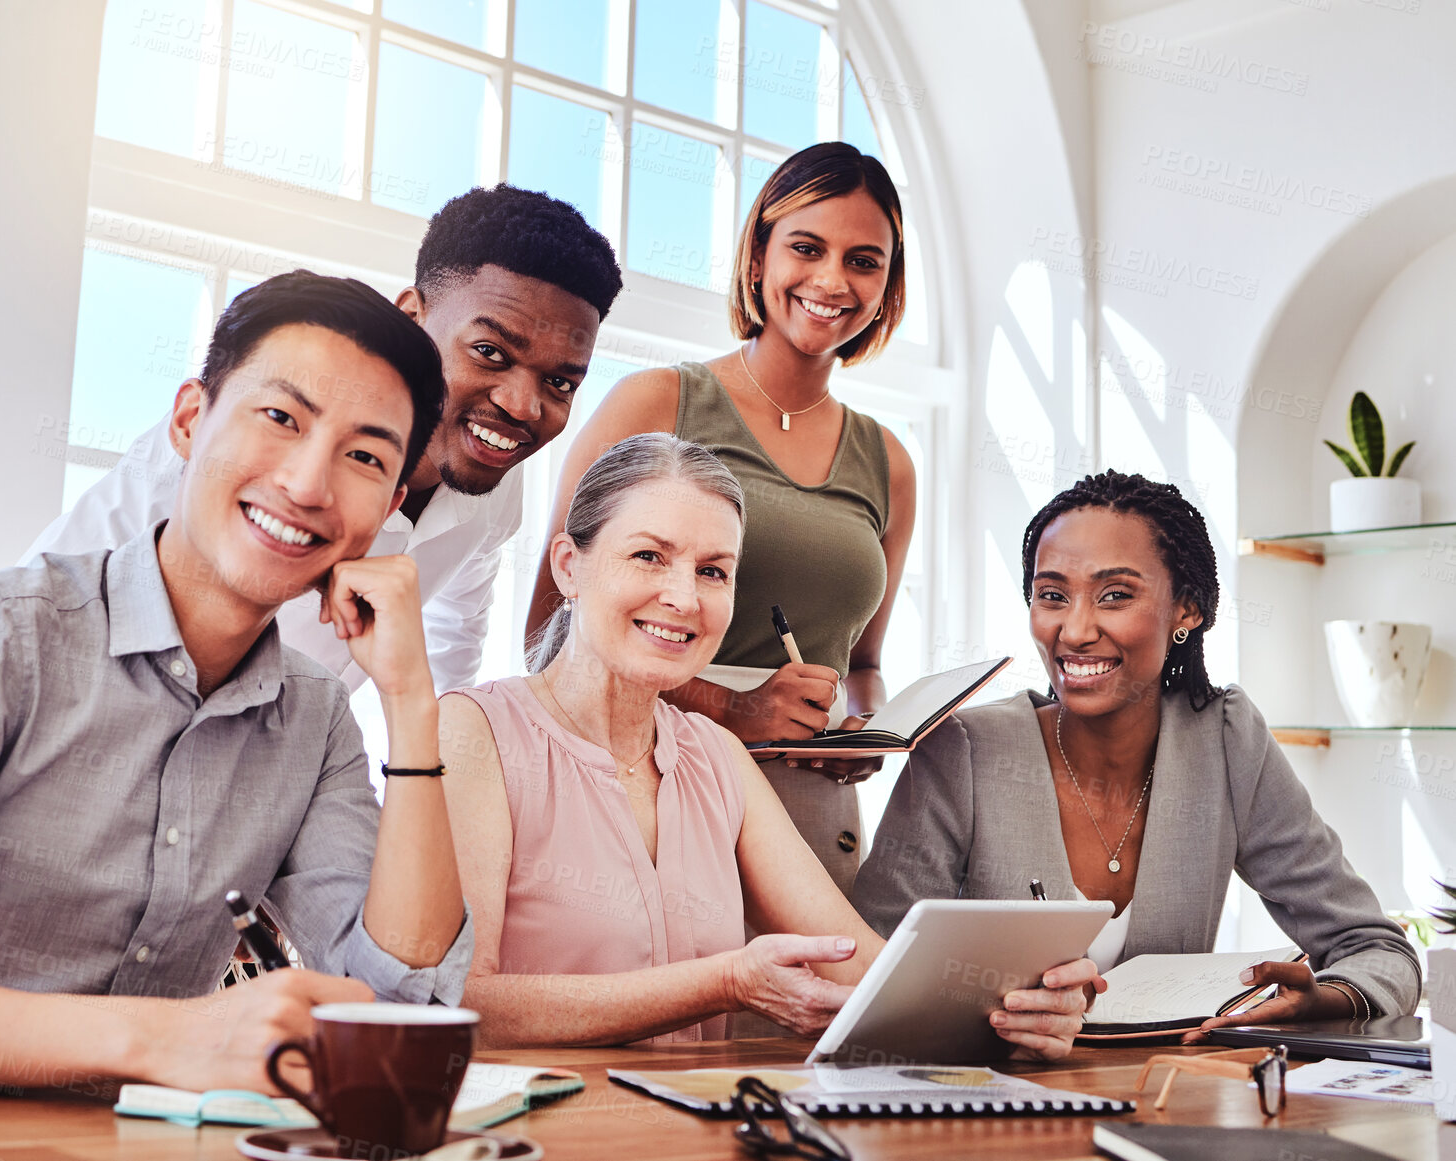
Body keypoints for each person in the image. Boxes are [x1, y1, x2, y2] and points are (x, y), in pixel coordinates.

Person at [0, 273, 472, 1093]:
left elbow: (397, 997)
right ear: (187, 420)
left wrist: (409, 703)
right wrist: (161, 1038)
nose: (309, 485)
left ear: (387, 501)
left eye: (363, 456)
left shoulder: (314, 719)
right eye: (280, 417)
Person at [442, 433, 1096, 1051]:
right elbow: (458, 1005)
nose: (682, 596)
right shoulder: (474, 733)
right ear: (568, 564)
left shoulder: (717, 756)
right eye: (648, 555)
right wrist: (724, 982)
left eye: (712, 571)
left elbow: (855, 962)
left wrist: (1018, 1004)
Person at [852, 470, 1421, 1035]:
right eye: (1052, 596)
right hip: (994, 1106)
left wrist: (1326, 999)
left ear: (1187, 610)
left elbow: (1376, 949)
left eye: (1115, 596)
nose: (1074, 630)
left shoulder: (1225, 742)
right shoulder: (964, 749)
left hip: (1166, 1100)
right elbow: (864, 971)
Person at [30, 184, 623, 692]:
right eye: (489, 352)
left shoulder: (496, 486)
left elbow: (452, 640)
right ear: (412, 319)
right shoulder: (236, 445)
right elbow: (45, 604)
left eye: (559, 382)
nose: (523, 406)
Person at [527, 144, 913, 894]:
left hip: (811, 824)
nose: (832, 280)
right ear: (758, 255)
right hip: (652, 798)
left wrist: (864, 730)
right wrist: (734, 707)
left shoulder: (888, 461)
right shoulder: (656, 404)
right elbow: (548, 632)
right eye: (807, 247)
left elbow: (861, 666)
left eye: (863, 261)